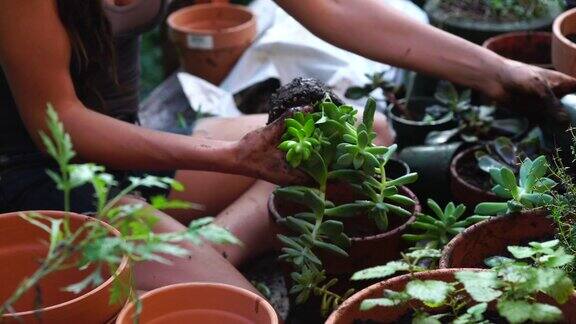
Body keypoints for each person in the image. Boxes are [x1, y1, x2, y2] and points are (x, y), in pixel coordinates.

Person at [0, 0, 574, 294]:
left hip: (139, 154)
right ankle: (204, 263)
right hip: (53, 183)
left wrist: (496, 71)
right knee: (235, 309)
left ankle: (221, 244)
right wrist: (229, 155)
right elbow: (64, 124)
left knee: (359, 135)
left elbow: (335, 9)